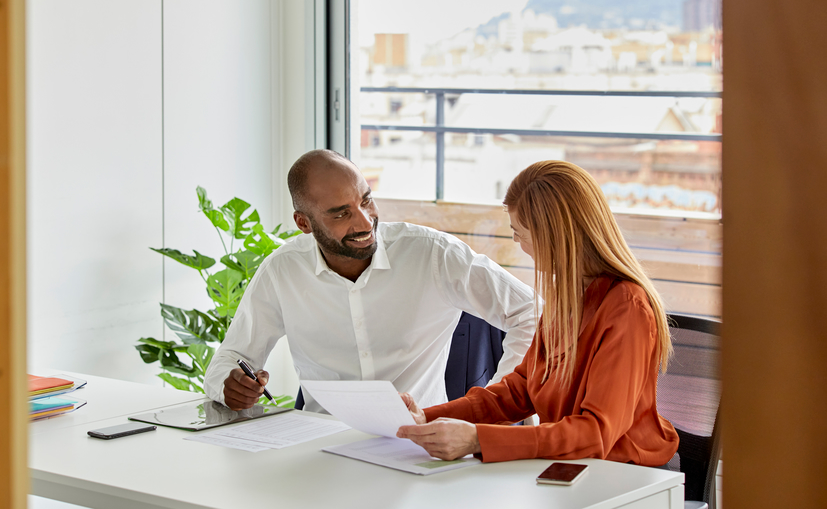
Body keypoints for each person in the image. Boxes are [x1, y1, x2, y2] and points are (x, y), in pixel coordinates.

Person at [204, 149, 536, 413]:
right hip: (321, 449)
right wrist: (228, 385)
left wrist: (496, 398)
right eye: (341, 213)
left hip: (418, 445)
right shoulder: (282, 271)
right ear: (303, 223)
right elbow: (232, 356)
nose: (365, 222)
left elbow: (532, 312)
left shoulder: (431, 254)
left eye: (366, 201)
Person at [396, 160, 679, 466]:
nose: (517, 243)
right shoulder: (568, 295)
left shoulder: (627, 309)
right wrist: (426, 416)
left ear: (556, 236)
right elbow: (519, 392)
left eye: (521, 233)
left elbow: (595, 433)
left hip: (623, 472)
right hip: (570, 463)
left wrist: (479, 439)